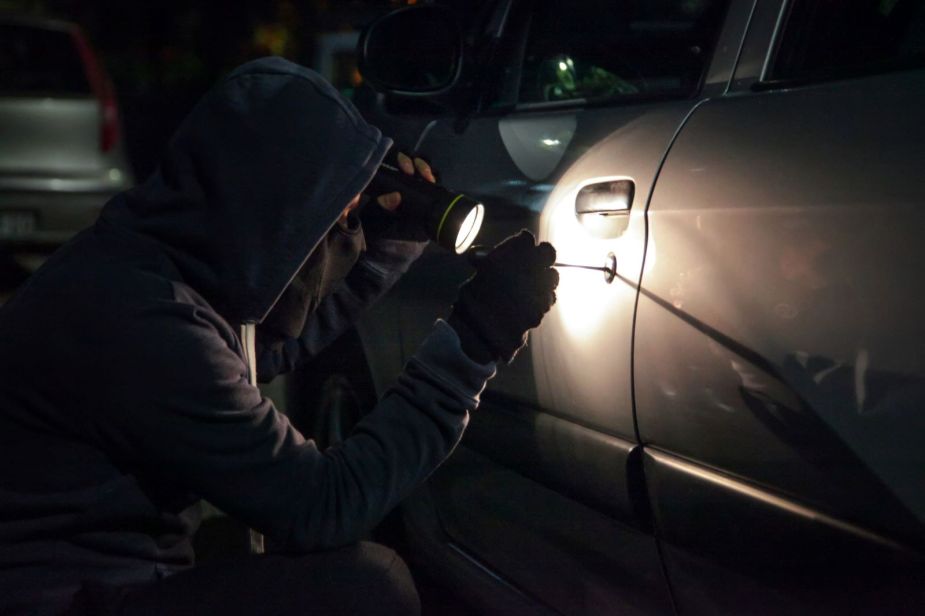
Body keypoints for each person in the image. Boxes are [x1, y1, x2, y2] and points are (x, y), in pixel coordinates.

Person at [0, 57, 558, 615]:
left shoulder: (148, 263)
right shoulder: (145, 323)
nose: (343, 235)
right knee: (367, 588)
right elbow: (321, 506)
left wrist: (388, 241)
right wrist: (474, 344)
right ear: (273, 209)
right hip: (67, 600)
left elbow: (268, 346)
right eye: (335, 217)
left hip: (93, 584)